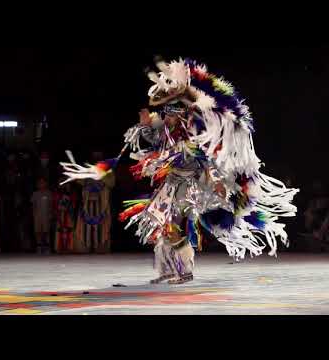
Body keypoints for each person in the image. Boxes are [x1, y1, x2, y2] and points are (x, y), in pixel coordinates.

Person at [60, 58, 298, 284]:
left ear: (180, 114)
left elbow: (206, 160)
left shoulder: (192, 134)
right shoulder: (164, 131)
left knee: (172, 227)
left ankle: (184, 269)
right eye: (167, 114)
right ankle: (167, 269)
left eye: (173, 114)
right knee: (159, 226)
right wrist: (145, 127)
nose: (168, 118)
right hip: (170, 185)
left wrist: (215, 180)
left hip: (189, 187)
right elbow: (155, 143)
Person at [53, 180, 77, 253]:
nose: (65, 185)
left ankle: (70, 247)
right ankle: (59, 247)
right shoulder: (57, 194)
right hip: (60, 214)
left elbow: (74, 204)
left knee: (69, 230)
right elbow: (55, 204)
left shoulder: (72, 194)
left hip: (69, 215)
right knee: (60, 230)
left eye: (67, 184)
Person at [31, 178, 53, 254]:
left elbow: (51, 205)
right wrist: (34, 215)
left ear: (46, 184)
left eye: (43, 182)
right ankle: (39, 247)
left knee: (46, 231)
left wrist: (50, 214)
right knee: (38, 232)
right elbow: (33, 205)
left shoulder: (48, 193)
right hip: (37, 215)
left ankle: (47, 247)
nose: (41, 184)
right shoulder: (35, 194)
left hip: (46, 215)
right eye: (40, 183)